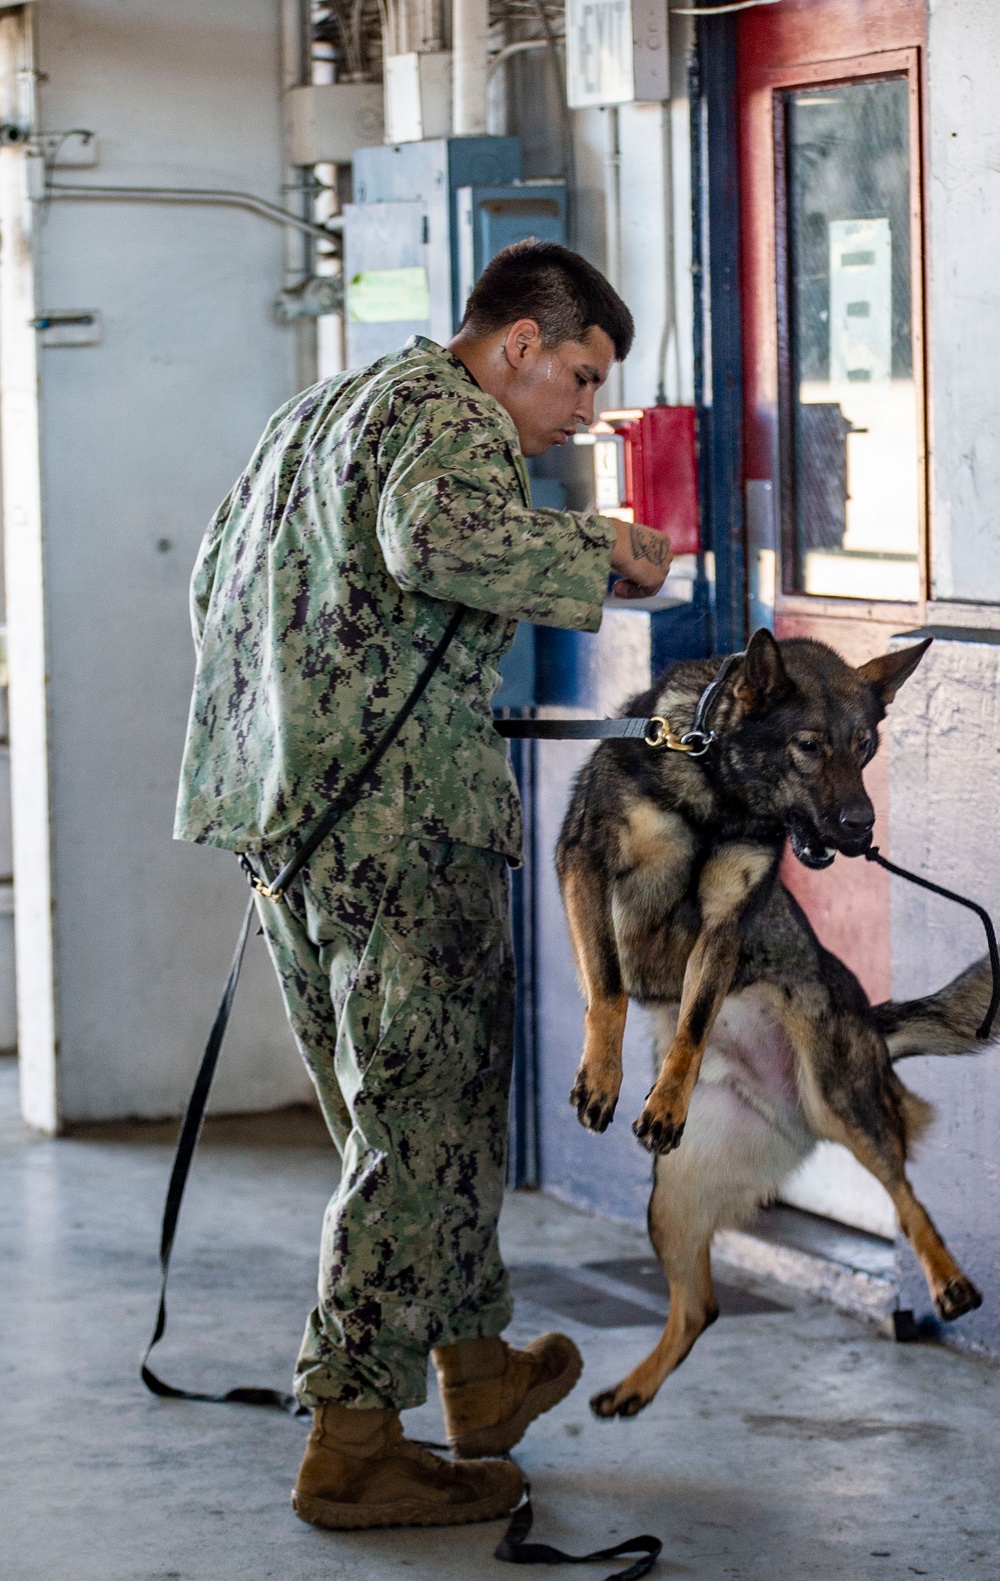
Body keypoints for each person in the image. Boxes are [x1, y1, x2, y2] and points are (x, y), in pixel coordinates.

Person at [174, 241, 672, 1532]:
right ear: (515, 344)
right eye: (576, 377)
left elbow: (211, 583)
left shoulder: (320, 413)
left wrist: (299, 747)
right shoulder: (451, 420)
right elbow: (437, 537)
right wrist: (597, 553)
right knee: (420, 1119)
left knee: (410, 1111)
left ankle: (472, 1370)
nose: (581, 412)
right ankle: (351, 1435)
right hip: (400, 833)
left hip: (295, 820)